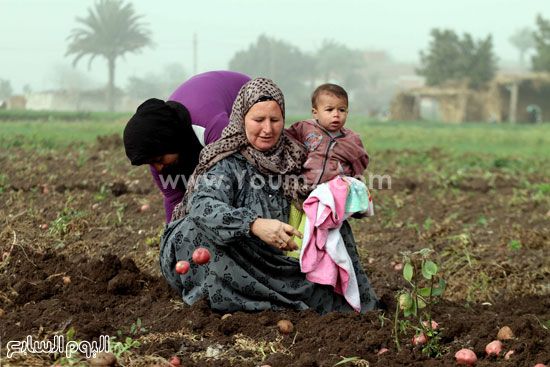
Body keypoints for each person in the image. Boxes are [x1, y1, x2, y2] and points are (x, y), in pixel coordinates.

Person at [159, 77, 379, 314]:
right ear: (242, 119)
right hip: (244, 260)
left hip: (288, 263)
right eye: (258, 120)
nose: (267, 129)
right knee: (196, 229)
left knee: (331, 221)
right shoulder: (226, 162)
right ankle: (243, 299)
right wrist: (254, 224)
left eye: (275, 120)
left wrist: (346, 196)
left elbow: (328, 192)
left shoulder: (297, 156)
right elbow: (202, 205)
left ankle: (301, 299)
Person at [123, 71, 251, 223]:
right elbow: (175, 201)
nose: (158, 168)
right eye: (151, 163)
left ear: (170, 140)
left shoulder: (211, 127)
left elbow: (236, 179)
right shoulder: (158, 157)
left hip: (246, 98)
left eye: (158, 159)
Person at [285, 83, 369, 187]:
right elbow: (284, 137)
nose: (336, 115)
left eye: (341, 110)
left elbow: (360, 161)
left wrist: (354, 183)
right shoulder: (305, 128)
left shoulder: (351, 140)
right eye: (329, 110)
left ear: (347, 112)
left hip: (337, 191)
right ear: (315, 113)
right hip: (307, 188)